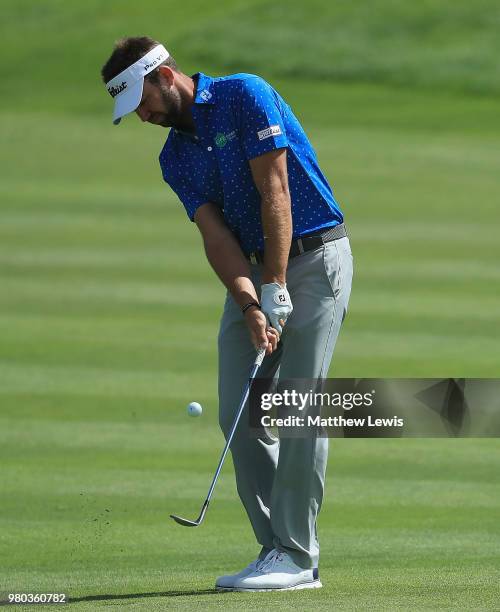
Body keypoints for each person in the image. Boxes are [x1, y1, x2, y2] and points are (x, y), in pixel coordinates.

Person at [101, 36, 353, 592]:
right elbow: (217, 238)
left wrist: (277, 284)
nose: (141, 116)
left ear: (165, 75)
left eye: (140, 101)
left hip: (313, 260)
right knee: (238, 412)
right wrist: (248, 303)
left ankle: (298, 556)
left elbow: (275, 191)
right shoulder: (174, 157)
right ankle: (276, 551)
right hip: (255, 274)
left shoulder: (246, 95)